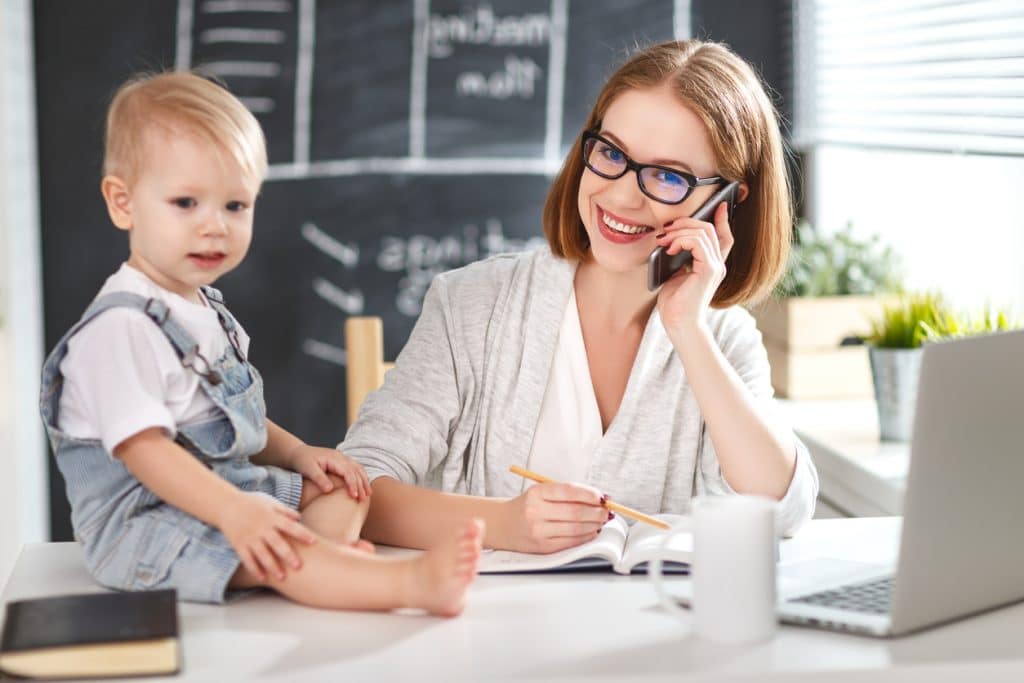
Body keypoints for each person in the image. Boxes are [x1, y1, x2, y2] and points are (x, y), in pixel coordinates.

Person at [340, 39, 818, 554]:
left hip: (643, 633)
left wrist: (687, 329)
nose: (621, 195)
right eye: (611, 153)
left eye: (667, 176)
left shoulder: (721, 339)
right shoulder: (471, 305)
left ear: (727, 202)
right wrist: (502, 525)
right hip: (482, 630)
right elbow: (355, 486)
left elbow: (781, 510)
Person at [38, 71, 482, 614]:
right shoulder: (117, 331)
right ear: (123, 202)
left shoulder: (206, 310)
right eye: (185, 202)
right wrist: (235, 513)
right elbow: (147, 452)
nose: (214, 227)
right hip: (148, 527)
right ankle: (401, 584)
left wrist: (299, 454)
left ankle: (327, 559)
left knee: (346, 487)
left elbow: (231, 418)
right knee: (283, 551)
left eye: (235, 206)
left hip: (228, 489)